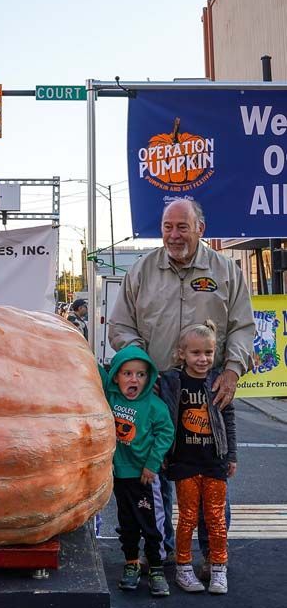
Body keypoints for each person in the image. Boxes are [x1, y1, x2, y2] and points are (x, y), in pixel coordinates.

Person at [108, 199, 253, 562]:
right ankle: (162, 553)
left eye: (182, 227)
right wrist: (142, 369)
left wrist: (233, 370)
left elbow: (243, 327)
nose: (173, 235)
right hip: (156, 391)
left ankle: (211, 557)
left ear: (200, 229)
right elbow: (121, 326)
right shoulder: (142, 271)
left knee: (207, 478)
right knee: (153, 475)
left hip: (208, 391)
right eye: (167, 226)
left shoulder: (225, 271)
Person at [159, 321, 236, 595]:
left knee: (215, 517)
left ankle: (218, 568)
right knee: (188, 518)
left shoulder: (217, 381)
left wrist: (232, 455)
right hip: (185, 462)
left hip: (214, 462)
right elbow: (163, 415)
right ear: (182, 353)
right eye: (195, 353)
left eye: (208, 352)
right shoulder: (171, 381)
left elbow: (228, 419)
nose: (202, 359)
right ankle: (183, 568)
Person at [97, 346, 175, 597]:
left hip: (145, 477)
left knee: (151, 525)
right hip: (121, 475)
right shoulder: (111, 398)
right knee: (127, 523)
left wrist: (152, 465)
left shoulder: (155, 406)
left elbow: (166, 434)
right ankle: (131, 563)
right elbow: (96, 371)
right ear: (116, 377)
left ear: (148, 378)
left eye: (140, 375)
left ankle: (155, 567)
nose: (134, 379)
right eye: (127, 373)